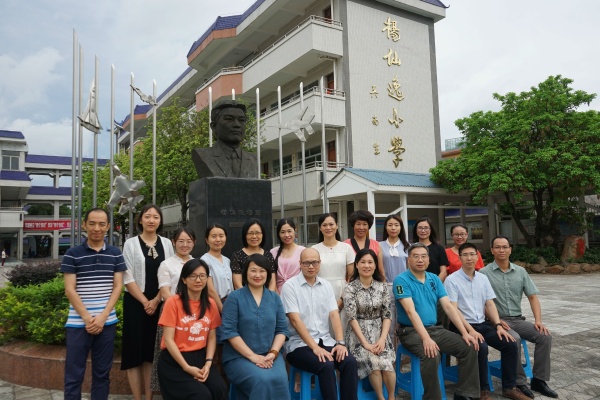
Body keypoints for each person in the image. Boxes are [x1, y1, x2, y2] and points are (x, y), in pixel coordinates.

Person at [394, 243, 480, 400]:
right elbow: (410, 312)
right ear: (409, 260)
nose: (420, 260)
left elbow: (448, 307)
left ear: (428, 259)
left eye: (423, 256)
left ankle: (465, 394)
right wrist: (426, 338)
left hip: (435, 329)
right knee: (431, 353)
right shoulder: (401, 280)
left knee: (469, 347)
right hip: (411, 331)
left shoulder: (434, 278)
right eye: (416, 256)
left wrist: (465, 332)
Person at [444, 242, 529, 400]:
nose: (469, 258)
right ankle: (483, 390)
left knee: (510, 343)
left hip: (483, 324)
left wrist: (498, 325)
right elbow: (453, 310)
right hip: (461, 326)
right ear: (459, 258)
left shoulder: (483, 278)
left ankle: (509, 387)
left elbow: (490, 304)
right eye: (465, 255)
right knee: (480, 347)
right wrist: (470, 331)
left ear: (478, 257)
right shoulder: (451, 280)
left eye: (472, 254)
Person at [61, 208, 127, 400]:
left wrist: (103, 317)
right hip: (78, 324)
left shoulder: (115, 253)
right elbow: (70, 290)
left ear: (108, 226)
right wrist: (88, 318)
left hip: (107, 323)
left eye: (101, 224)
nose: (96, 228)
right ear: (84, 225)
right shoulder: (72, 254)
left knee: (102, 375)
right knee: (73, 376)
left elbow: (118, 287)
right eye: (92, 223)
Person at [480, 236, 558, 399]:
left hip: (517, 319)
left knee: (544, 336)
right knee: (513, 339)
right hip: (496, 321)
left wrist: (538, 321)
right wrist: (496, 321)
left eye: (505, 247)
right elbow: (481, 302)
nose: (501, 250)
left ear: (510, 249)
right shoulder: (483, 273)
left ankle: (539, 380)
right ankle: (519, 382)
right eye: (497, 247)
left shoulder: (520, 272)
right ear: (492, 250)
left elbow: (532, 297)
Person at [281, 248, 359, 400]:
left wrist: (340, 343)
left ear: (320, 263)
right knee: (326, 365)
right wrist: (315, 348)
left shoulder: (326, 285)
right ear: (300, 264)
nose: (311, 266)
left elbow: (334, 314)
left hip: (325, 341)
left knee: (349, 362)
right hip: (299, 345)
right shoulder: (290, 286)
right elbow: (295, 320)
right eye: (307, 263)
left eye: (315, 262)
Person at [122, 204, 174, 400]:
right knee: (134, 354)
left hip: (160, 304)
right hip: (136, 304)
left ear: (160, 221)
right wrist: (146, 302)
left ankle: (149, 398)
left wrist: (156, 300)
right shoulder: (130, 244)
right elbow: (127, 276)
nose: (151, 220)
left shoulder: (167, 244)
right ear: (140, 220)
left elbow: (170, 273)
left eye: (155, 217)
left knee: (151, 353)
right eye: (147, 216)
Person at [221, 254, 289, 399]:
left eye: (262, 271)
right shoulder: (234, 298)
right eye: (253, 270)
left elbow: (282, 330)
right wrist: (253, 357)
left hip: (270, 356)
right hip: (238, 357)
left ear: (268, 273)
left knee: (280, 380)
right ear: (245, 273)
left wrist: (273, 353)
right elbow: (230, 332)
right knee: (261, 380)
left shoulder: (274, 298)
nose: (258, 275)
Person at [157, 259, 227, 400]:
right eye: (193, 276)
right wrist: (186, 367)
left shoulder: (210, 303)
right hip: (175, 361)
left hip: (201, 358)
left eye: (202, 276)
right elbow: (168, 340)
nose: (198, 280)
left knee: (219, 388)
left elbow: (212, 336)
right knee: (201, 395)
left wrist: (208, 363)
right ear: (184, 279)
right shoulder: (173, 302)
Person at [344, 249, 395, 400]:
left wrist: (382, 339)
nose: (366, 266)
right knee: (373, 363)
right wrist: (365, 343)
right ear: (356, 265)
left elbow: (387, 315)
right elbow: (351, 317)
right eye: (363, 262)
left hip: (380, 333)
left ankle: (391, 397)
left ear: (375, 265)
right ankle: (380, 398)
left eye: (370, 262)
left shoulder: (382, 287)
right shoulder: (350, 288)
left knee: (386, 363)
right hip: (358, 336)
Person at [150, 227, 196, 392]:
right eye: (181, 241)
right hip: (172, 313)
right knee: (170, 352)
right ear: (174, 242)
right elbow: (165, 291)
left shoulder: (196, 263)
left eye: (189, 241)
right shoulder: (166, 264)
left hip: (195, 314)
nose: (185, 245)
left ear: (194, 243)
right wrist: (181, 310)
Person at [191, 100, 258, 179]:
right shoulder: (203, 155)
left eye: (241, 120)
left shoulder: (253, 159)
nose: (237, 125)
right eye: (229, 119)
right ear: (214, 126)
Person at [312, 213, 354, 321]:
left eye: (331, 224)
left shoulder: (346, 248)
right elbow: (311, 275)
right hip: (319, 291)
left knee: (342, 324)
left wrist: (342, 298)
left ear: (337, 225)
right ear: (320, 228)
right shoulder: (314, 249)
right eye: (324, 225)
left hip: (342, 291)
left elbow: (352, 276)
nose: (328, 228)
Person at [378, 214, 409, 324]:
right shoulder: (379, 245)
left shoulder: (408, 246)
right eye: (390, 225)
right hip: (386, 285)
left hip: (403, 285)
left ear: (401, 227)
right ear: (386, 227)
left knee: (404, 314)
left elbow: (409, 268)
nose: (393, 228)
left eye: (396, 225)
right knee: (388, 316)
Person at [230, 218, 276, 291]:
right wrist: (249, 297)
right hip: (244, 296)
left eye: (257, 233)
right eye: (250, 233)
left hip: (266, 296)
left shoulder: (268, 255)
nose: (254, 236)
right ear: (245, 235)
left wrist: (269, 297)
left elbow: (272, 282)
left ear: (262, 234)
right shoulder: (237, 256)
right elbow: (238, 285)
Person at [201, 224, 233, 313]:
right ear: (207, 240)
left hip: (230, 302)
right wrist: (222, 309)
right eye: (214, 236)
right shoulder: (205, 260)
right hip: (215, 304)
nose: (218, 239)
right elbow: (210, 289)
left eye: (221, 236)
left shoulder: (227, 260)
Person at [344, 210, 385, 278]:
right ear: (353, 225)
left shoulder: (376, 244)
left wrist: (383, 281)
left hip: (373, 282)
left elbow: (380, 270)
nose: (361, 227)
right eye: (358, 224)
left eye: (365, 224)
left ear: (369, 226)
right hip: (351, 283)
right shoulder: (345, 245)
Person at [270, 218, 305, 293]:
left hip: (298, 291)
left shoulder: (303, 251)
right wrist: (277, 296)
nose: (286, 235)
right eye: (283, 232)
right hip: (277, 292)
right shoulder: (273, 252)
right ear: (278, 234)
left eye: (289, 231)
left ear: (295, 230)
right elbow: (272, 278)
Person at [412, 216, 448, 281]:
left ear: (431, 230)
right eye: (420, 228)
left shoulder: (439, 248)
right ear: (416, 230)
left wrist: (435, 284)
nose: (423, 231)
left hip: (434, 284)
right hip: (415, 284)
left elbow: (443, 271)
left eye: (426, 228)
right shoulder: (411, 248)